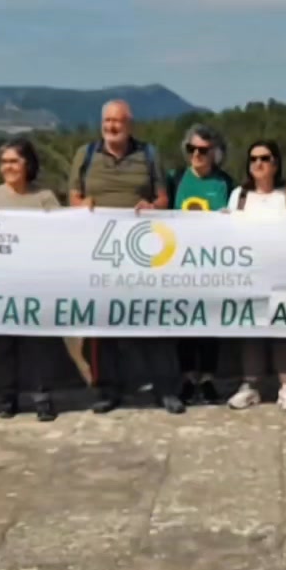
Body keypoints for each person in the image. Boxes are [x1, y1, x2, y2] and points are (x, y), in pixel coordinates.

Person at [68, 100, 184, 415]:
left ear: (129, 124)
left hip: (143, 250)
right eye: (106, 120)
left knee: (155, 319)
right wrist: (81, 204)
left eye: (117, 121)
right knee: (104, 323)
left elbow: (163, 198)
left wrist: (153, 207)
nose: (111, 126)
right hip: (100, 252)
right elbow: (73, 196)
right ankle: (107, 390)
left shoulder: (148, 154)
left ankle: (166, 389)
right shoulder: (86, 154)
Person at [0, 138, 61, 421]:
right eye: (4, 162)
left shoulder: (45, 198)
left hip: (35, 280)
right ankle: (6, 398)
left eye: (14, 161)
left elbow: (62, 234)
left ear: (28, 164)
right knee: (0, 343)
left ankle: (42, 397)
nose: (8, 167)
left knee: (37, 343)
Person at [227, 140, 286, 412]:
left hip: (284, 272)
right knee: (251, 330)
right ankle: (251, 386)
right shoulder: (239, 195)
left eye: (265, 158)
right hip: (250, 273)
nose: (258, 163)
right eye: (253, 159)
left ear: (276, 162)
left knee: (284, 329)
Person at [167, 124, 235, 405]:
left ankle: (207, 379)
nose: (196, 154)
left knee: (210, 324)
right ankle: (186, 379)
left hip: (213, 264)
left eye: (203, 150)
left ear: (215, 153)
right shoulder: (175, 178)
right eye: (191, 149)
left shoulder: (225, 183)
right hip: (180, 263)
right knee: (184, 324)